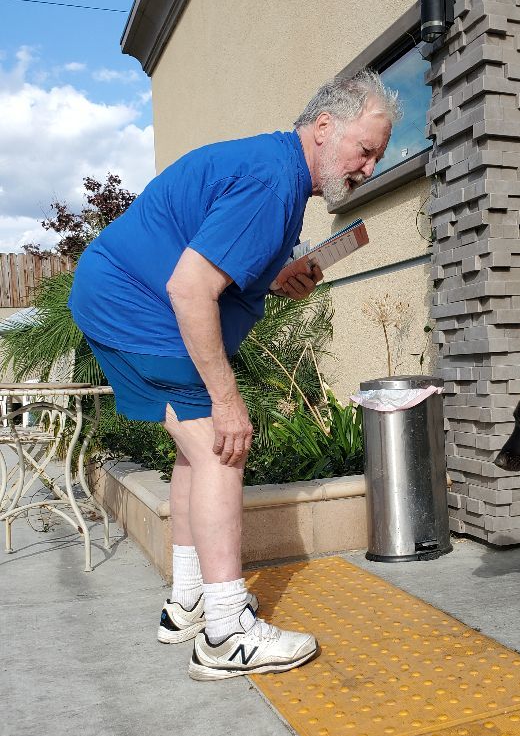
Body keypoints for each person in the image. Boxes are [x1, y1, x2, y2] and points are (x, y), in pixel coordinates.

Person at [69, 70, 400, 680]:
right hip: (142, 306)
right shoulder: (273, 182)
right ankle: (226, 631)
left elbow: (218, 264)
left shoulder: (273, 170)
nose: (369, 167)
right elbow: (190, 287)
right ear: (324, 127)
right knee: (224, 445)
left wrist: (280, 278)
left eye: (379, 156)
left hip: (114, 298)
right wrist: (228, 399)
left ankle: (188, 602)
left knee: (197, 454)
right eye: (365, 148)